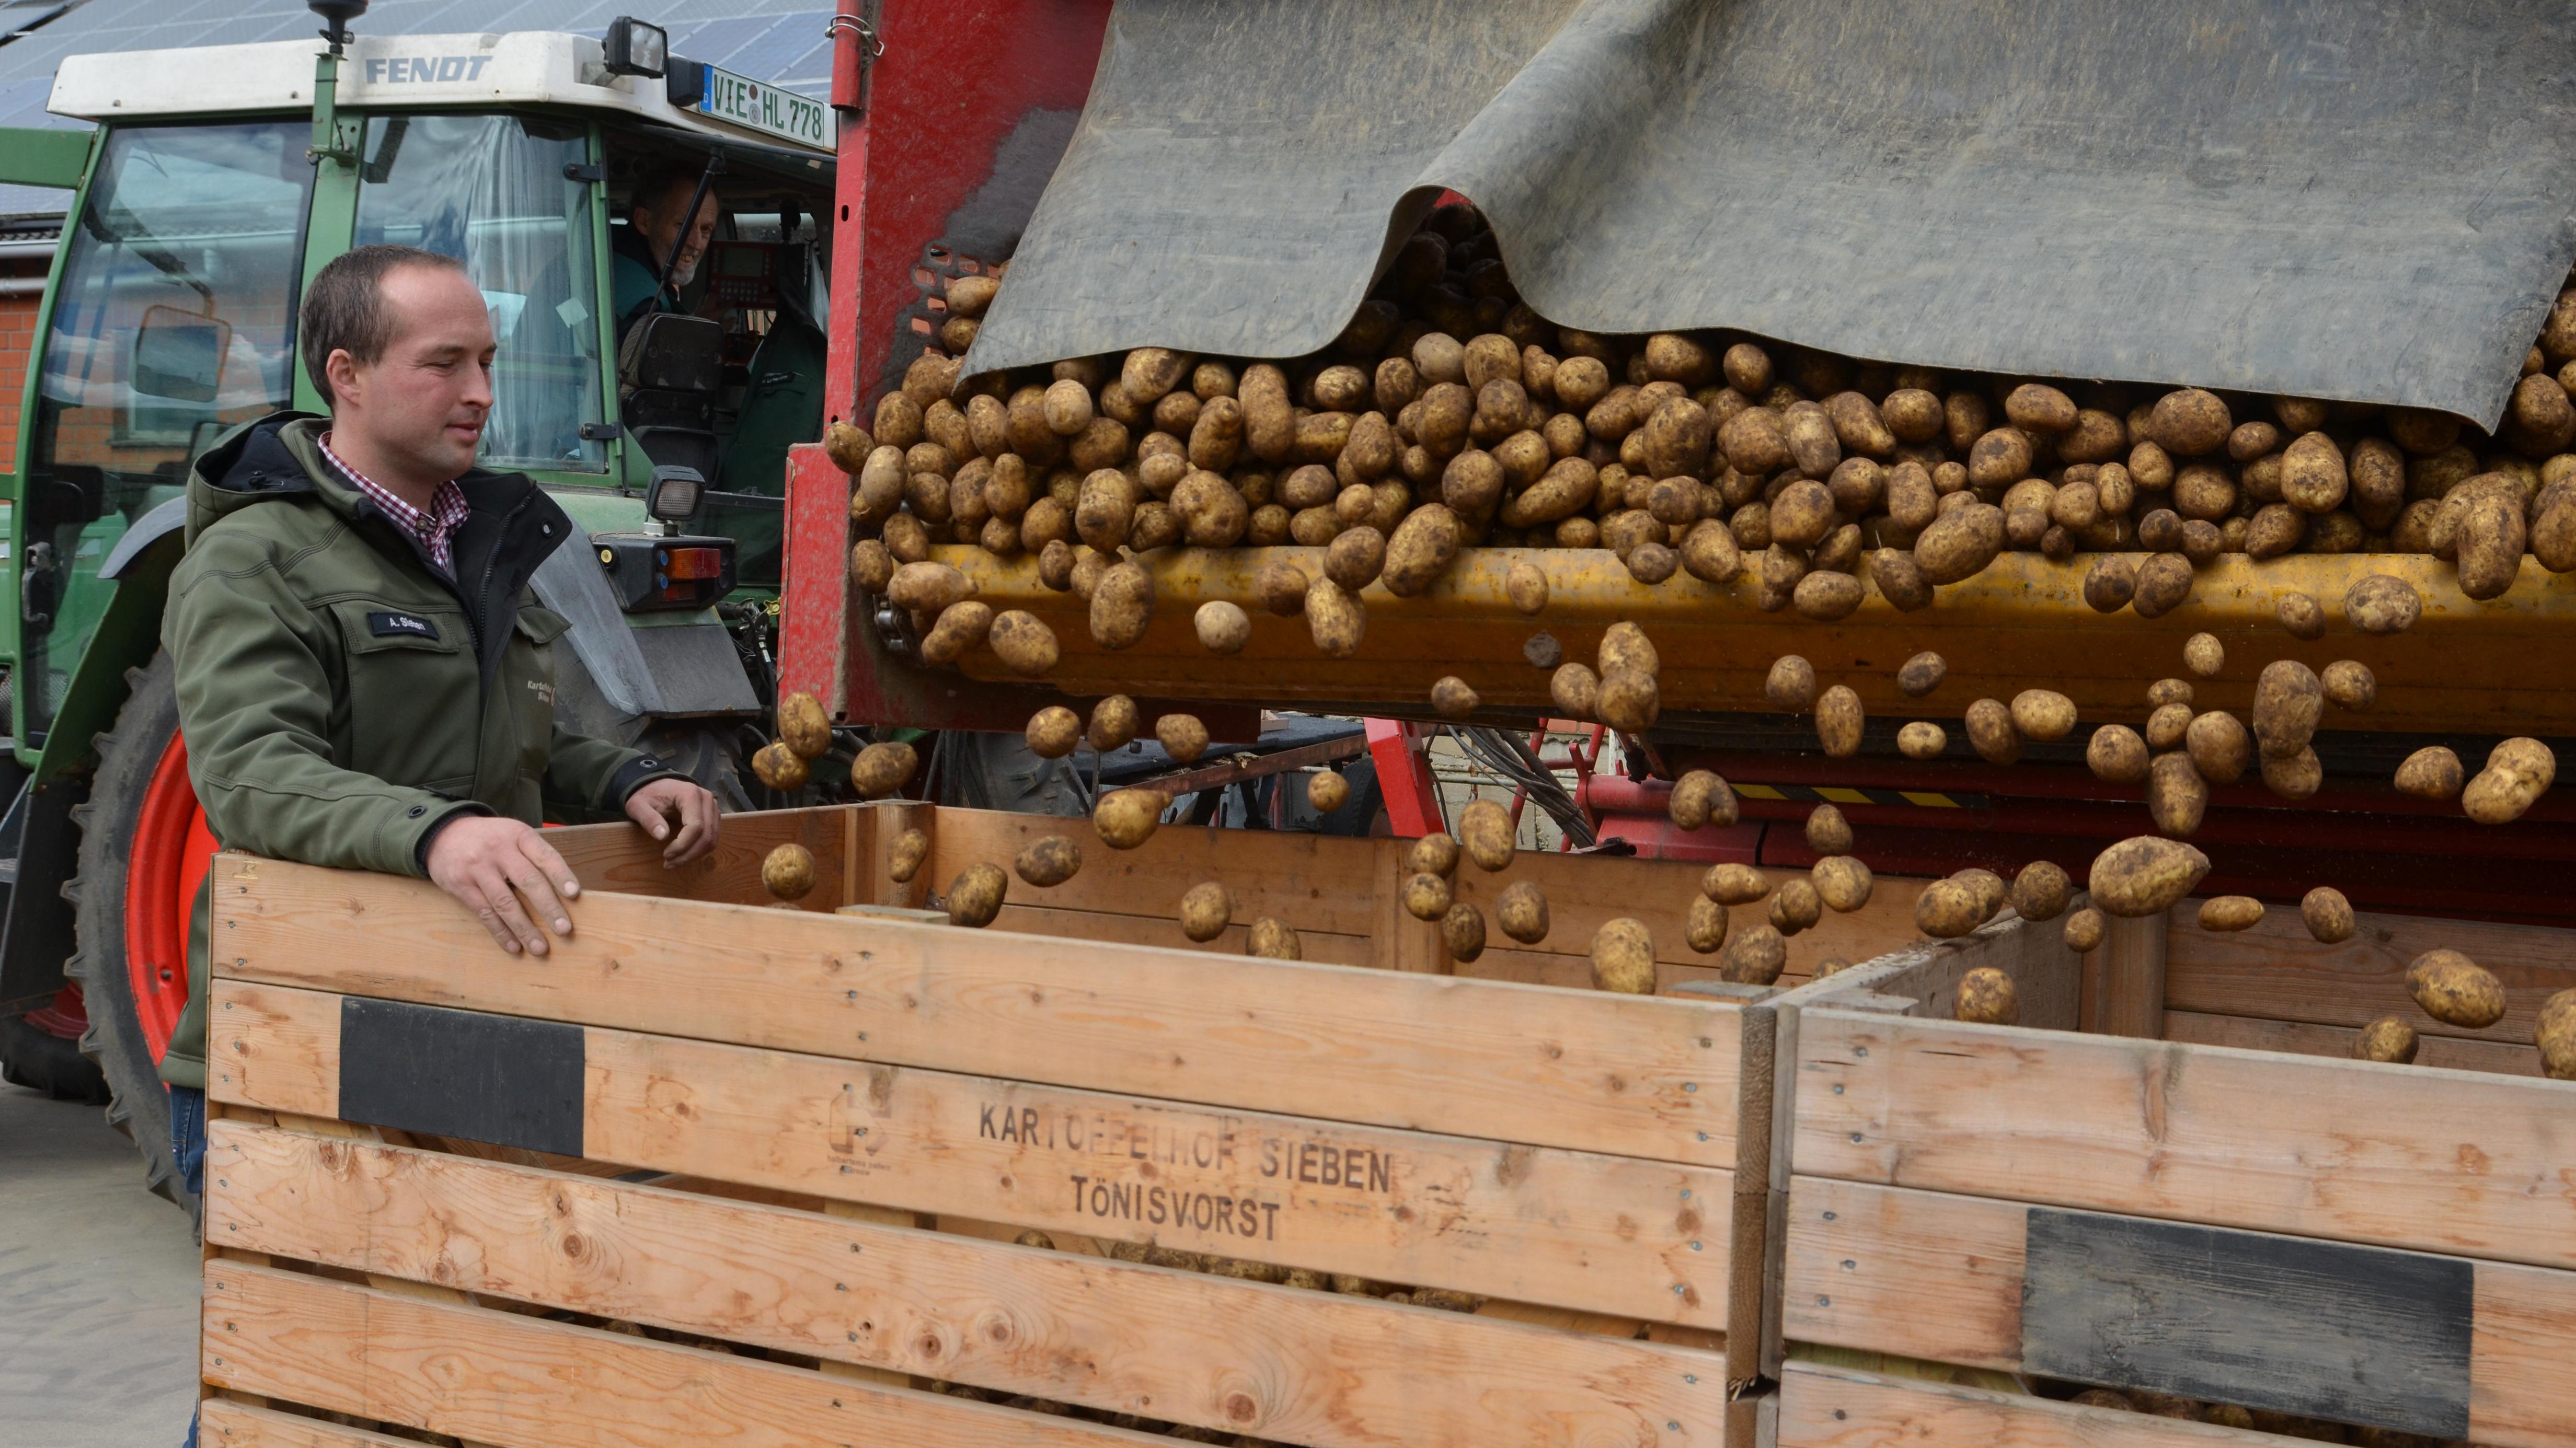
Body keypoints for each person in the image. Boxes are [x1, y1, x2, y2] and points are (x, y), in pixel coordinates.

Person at [156, 247, 723, 1385]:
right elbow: (252, 773)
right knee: (304, 1384)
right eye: (445, 363)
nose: (478, 392)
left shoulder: (478, 535)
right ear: (348, 374)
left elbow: (501, 725)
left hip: (473, 1022)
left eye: (488, 363)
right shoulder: (254, 558)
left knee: (455, 1371)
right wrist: (436, 832)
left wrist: (616, 777)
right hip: (301, 1038)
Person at [612, 163, 722, 338]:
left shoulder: (600, 249)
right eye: (683, 226)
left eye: (706, 229)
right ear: (644, 222)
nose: (696, 244)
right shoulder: (643, 305)